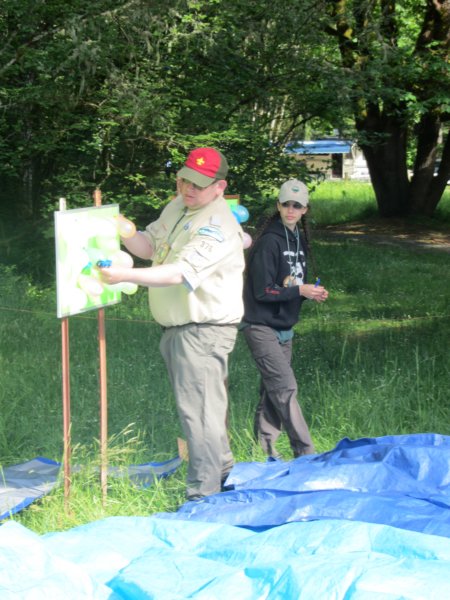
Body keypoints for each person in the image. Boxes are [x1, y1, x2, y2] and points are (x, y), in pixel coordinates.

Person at [99, 147, 245, 500]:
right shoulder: (178, 206)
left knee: (199, 413)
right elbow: (150, 247)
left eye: (197, 184)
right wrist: (127, 231)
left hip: (203, 329)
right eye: (183, 179)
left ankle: (202, 493)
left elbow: (180, 273)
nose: (187, 188)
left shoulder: (218, 225)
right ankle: (220, 469)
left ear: (219, 186)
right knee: (203, 407)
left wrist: (123, 275)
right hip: (179, 329)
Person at [241, 178, 328, 459]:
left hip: (285, 327)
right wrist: (298, 289)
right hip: (260, 325)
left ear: (305, 210)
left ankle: (264, 450)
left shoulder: (299, 240)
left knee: (273, 391)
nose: (291, 210)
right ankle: (306, 453)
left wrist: (308, 293)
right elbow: (263, 291)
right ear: (278, 206)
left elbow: (290, 285)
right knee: (286, 388)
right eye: (286, 204)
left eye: (297, 206)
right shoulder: (269, 243)